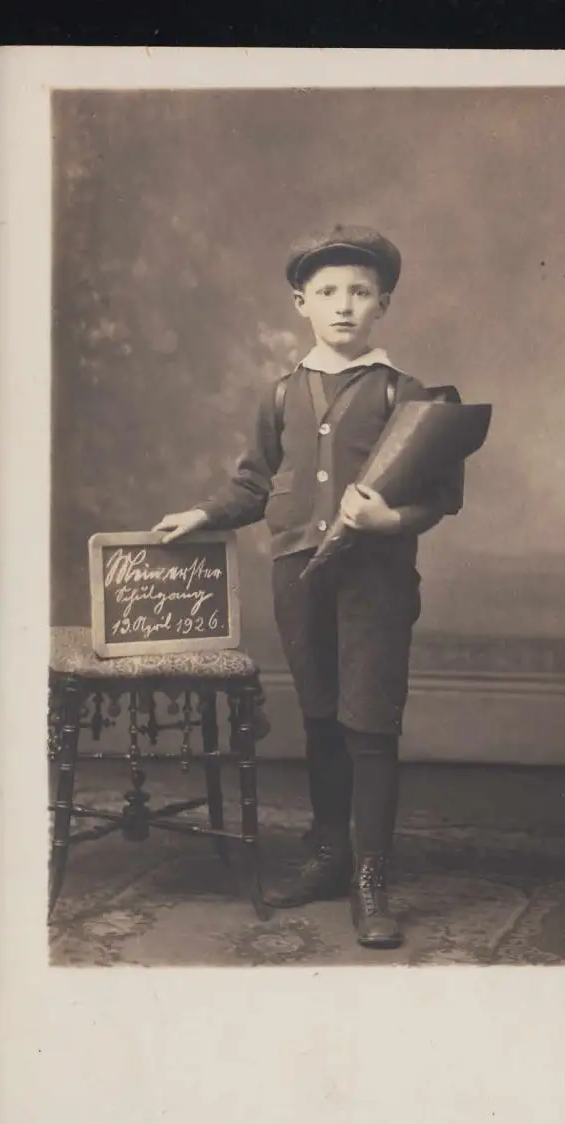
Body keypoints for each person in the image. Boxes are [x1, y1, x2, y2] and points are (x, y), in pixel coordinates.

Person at [154, 224, 463, 949]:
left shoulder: (404, 391)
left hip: (374, 581)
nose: (343, 305)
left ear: (383, 304)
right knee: (321, 716)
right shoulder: (280, 394)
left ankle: (370, 876)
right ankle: (328, 855)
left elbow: (440, 492)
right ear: (302, 303)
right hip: (297, 575)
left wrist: (390, 519)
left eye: (360, 292)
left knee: (369, 723)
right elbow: (256, 482)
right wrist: (204, 514)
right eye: (327, 292)